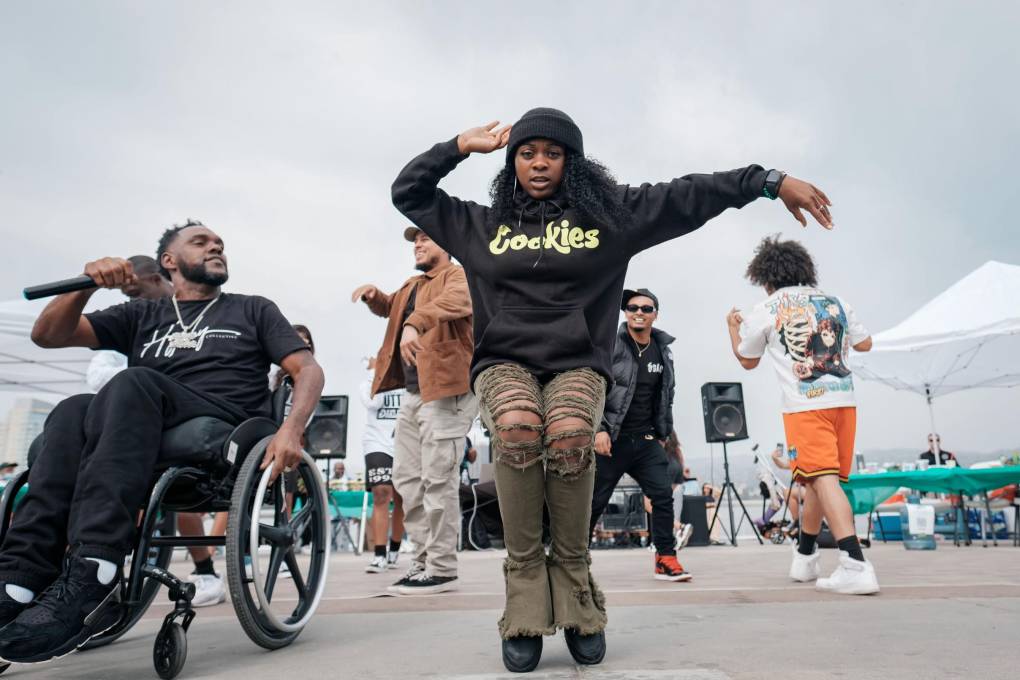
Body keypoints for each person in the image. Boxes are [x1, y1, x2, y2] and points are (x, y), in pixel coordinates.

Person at [391, 108, 834, 672]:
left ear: (572, 162)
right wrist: (459, 145)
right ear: (511, 162)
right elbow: (408, 189)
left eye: (553, 153)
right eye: (527, 153)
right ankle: (525, 591)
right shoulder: (480, 224)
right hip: (504, 362)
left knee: (574, 435)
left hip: (580, 361)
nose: (540, 163)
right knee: (518, 427)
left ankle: (575, 583)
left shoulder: (610, 216)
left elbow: (689, 195)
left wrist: (767, 182)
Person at [0, 221, 324, 664]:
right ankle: (21, 575)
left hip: (220, 425)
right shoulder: (142, 315)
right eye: (201, 242)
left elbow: (307, 370)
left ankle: (96, 566)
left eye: (220, 244)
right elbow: (48, 335)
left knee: (132, 384)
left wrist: (291, 429)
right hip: (140, 426)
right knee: (73, 409)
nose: (216, 247)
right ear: (169, 261)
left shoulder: (252, 309)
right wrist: (86, 286)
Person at [727, 235, 879, 595]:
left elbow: (747, 360)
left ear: (765, 277)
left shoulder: (768, 307)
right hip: (844, 400)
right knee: (815, 478)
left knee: (822, 479)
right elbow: (865, 343)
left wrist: (733, 327)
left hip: (805, 404)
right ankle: (806, 556)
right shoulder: (835, 300)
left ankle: (855, 563)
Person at [81, 253, 230, 607]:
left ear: (155, 277)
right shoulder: (132, 320)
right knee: (79, 423)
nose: (129, 297)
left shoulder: (200, 315)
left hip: (180, 413)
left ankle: (204, 568)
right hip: (136, 412)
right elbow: (98, 375)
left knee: (176, 467)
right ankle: (72, 567)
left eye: (135, 289)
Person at [352, 227, 477, 596]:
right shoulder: (412, 285)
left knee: (438, 480)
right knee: (407, 481)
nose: (418, 245)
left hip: (446, 391)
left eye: (426, 238)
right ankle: (422, 561)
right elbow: (393, 307)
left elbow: (455, 303)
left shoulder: (460, 275)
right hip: (412, 393)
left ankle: (442, 567)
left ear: (447, 245)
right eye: (415, 240)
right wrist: (376, 298)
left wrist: (413, 324)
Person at [589, 288, 691, 582]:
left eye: (646, 308)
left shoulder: (663, 350)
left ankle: (666, 558)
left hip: (646, 440)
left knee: (662, 496)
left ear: (655, 314)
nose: (638, 312)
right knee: (593, 502)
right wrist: (598, 430)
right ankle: (574, 560)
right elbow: (594, 389)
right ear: (625, 312)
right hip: (612, 440)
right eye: (632, 307)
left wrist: (662, 434)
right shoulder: (610, 345)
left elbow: (665, 395)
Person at [360, 356, 407, 574]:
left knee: (401, 498)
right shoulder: (368, 381)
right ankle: (379, 554)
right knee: (381, 493)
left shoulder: (407, 377)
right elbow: (373, 402)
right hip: (376, 443)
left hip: (403, 442)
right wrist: (375, 372)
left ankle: (394, 550)